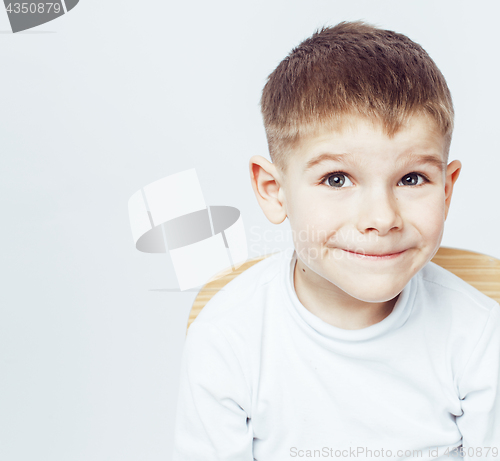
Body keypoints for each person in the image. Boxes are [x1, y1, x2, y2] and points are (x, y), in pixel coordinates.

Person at [172, 21, 500, 460]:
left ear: (446, 189)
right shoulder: (228, 340)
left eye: (411, 178)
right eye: (337, 179)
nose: (382, 219)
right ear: (274, 191)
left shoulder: (478, 337)